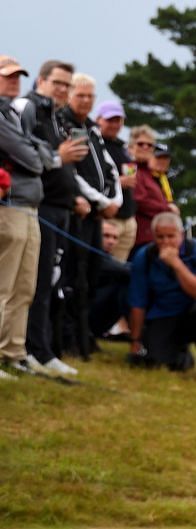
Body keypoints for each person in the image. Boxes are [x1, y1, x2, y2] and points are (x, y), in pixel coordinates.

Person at [13, 60, 90, 379]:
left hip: (61, 209)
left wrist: (76, 196)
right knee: (34, 283)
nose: (63, 89)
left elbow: (60, 165)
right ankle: (30, 350)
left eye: (67, 85)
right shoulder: (28, 108)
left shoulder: (55, 116)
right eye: (58, 83)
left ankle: (40, 349)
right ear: (41, 81)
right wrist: (59, 157)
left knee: (48, 282)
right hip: (37, 206)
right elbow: (26, 156)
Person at [61, 74, 120, 360]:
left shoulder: (91, 128)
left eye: (89, 96)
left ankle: (86, 335)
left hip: (98, 213)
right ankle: (70, 337)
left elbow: (109, 167)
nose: (85, 101)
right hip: (80, 213)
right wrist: (98, 200)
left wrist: (113, 200)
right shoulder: (67, 124)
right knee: (75, 275)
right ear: (70, 95)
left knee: (94, 273)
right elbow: (73, 170)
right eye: (80, 95)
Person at [126, 211, 196, 385]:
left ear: (181, 235)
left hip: (193, 313)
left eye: (171, 236)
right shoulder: (145, 256)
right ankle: (181, 354)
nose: (166, 242)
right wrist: (135, 340)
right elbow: (138, 301)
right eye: (160, 237)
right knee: (155, 363)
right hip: (163, 314)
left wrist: (177, 265)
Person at [93, 101, 136, 261]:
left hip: (128, 216)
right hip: (109, 215)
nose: (115, 124)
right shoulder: (94, 143)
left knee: (119, 268)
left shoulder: (122, 147)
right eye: (110, 120)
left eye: (118, 120)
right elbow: (91, 175)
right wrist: (118, 182)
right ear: (99, 119)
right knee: (102, 265)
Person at [126, 126, 171, 250]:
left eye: (150, 145)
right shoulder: (130, 168)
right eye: (141, 144)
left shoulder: (152, 174)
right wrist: (168, 209)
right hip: (140, 237)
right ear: (131, 148)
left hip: (154, 235)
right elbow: (138, 200)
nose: (145, 147)